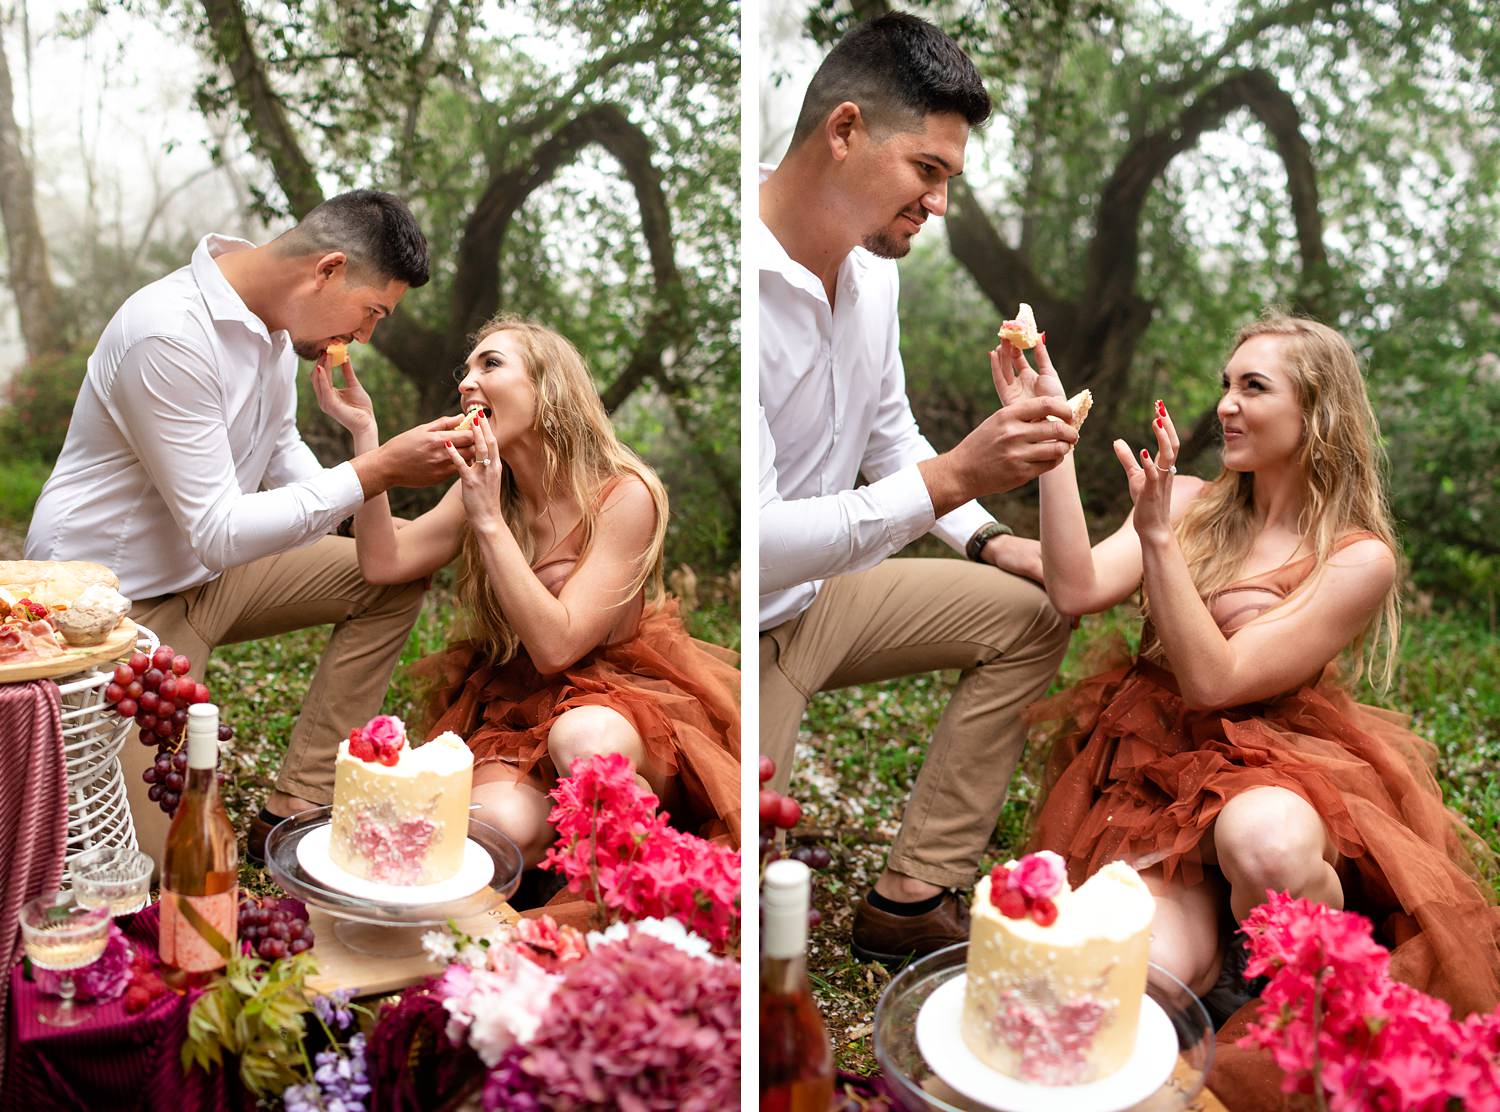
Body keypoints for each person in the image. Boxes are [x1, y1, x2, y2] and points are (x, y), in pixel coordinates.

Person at [1002, 315, 1500, 1101]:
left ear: (1318, 411)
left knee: (1266, 846)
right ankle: (1225, 958)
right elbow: (1076, 587)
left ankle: (1283, 960)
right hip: (1157, 766)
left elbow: (1218, 680)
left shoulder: (1357, 556)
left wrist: (1160, 539)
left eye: (1253, 387)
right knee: (1132, 983)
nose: (1226, 405)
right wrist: (1057, 442)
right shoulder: (1195, 501)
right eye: (1226, 386)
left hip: (1269, 757)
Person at [24, 190, 476, 866]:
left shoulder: (274, 326)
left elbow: (280, 453)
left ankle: (296, 804)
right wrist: (376, 472)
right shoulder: (169, 333)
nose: (365, 336)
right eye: (372, 312)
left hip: (207, 576)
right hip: (112, 605)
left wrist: (367, 447)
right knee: (150, 869)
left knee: (388, 578)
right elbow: (217, 529)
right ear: (326, 269)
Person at [759, 10, 1077, 965]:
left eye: (949, 179)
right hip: (749, 629)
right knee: (727, 917)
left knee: (1033, 612)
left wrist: (988, 535)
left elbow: (889, 433)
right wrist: (952, 477)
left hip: (831, 600)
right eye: (926, 172)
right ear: (844, 130)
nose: (938, 205)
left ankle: (909, 898)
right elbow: (759, 538)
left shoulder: (874, 272)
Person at [314, 314, 739, 870]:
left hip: (616, 701)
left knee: (582, 741)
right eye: (465, 371)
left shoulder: (624, 492)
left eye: (490, 364)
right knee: (496, 832)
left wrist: (485, 520)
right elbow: (384, 561)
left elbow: (559, 647)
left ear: (549, 389)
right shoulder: (491, 488)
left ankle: (636, 886)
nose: (466, 383)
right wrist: (367, 440)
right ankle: (557, 859)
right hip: (516, 708)